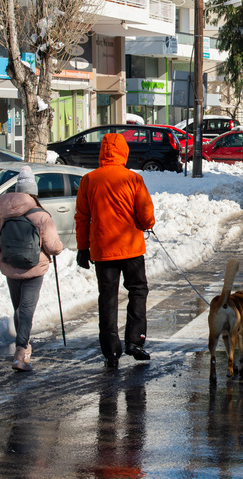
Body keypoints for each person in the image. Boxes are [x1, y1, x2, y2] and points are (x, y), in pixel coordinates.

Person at [75, 133, 156, 368]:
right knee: (138, 291)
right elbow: (146, 214)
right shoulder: (132, 179)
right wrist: (146, 225)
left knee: (107, 298)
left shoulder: (89, 180)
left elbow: (82, 217)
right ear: (124, 152)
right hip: (130, 247)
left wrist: (83, 248)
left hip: (102, 251)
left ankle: (110, 350)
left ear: (102, 152)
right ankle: (135, 341)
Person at [0, 166, 63, 372]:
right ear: (33, 192)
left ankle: (23, 347)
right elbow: (53, 247)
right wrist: (58, 248)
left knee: (19, 309)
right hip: (34, 269)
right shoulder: (41, 215)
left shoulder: (4, 215)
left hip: (10, 267)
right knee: (26, 310)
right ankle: (21, 351)